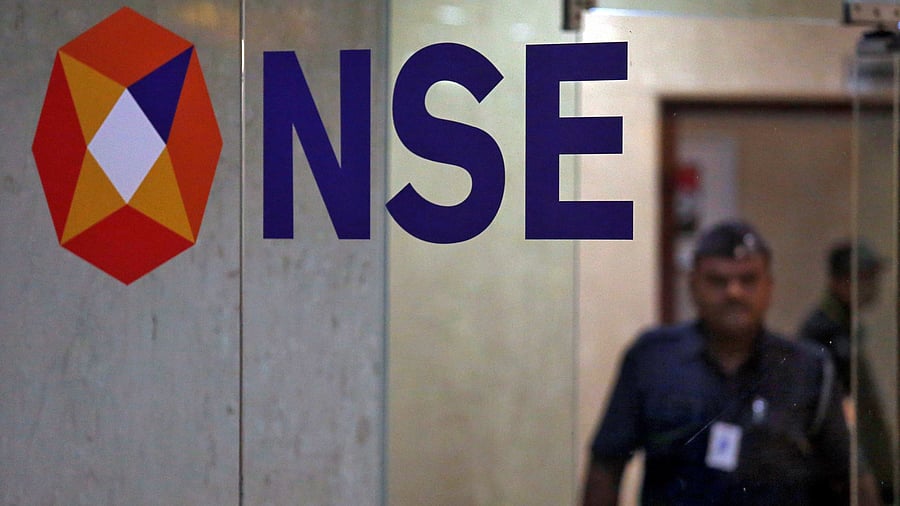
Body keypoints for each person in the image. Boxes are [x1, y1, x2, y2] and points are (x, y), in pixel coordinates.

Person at [583, 220, 851, 506]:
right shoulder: (652, 360)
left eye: (748, 280)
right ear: (693, 285)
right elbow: (606, 467)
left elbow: (849, 477)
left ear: (769, 287)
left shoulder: (807, 368)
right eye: (717, 281)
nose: (733, 292)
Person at [797, 241, 893, 505]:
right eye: (864, 278)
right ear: (842, 281)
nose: (871, 286)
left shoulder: (844, 326)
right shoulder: (823, 332)